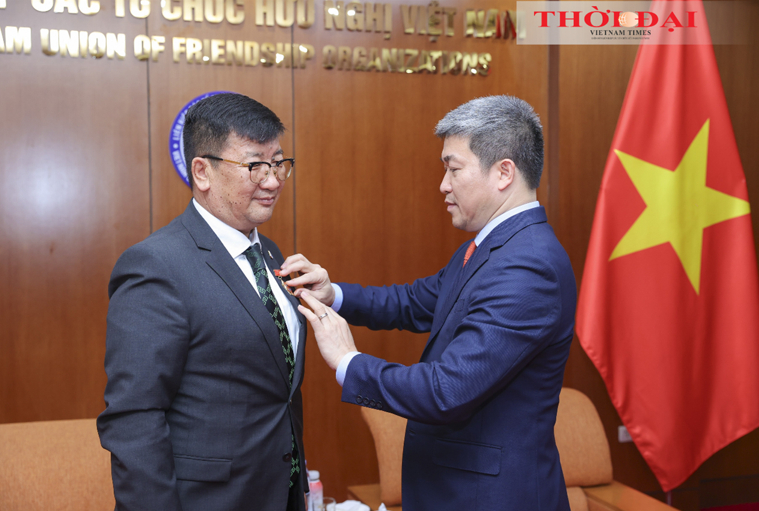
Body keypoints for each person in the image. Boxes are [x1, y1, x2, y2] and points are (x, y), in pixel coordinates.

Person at [282, 96, 576, 510]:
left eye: (453, 169)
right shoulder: (492, 246)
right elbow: (412, 302)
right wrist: (335, 294)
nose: (443, 185)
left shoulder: (529, 265)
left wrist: (349, 360)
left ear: (504, 172)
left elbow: (446, 389)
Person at [97, 93, 307, 511]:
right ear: (202, 171)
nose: (272, 181)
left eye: (278, 163)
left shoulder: (271, 254)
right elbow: (134, 417)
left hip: (278, 492)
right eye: (255, 166)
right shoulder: (156, 266)